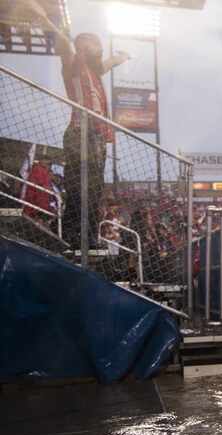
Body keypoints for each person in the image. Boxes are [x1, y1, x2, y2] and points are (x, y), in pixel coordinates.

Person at [26, 0, 130, 250]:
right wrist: (42, 17)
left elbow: (105, 65)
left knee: (93, 193)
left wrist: (119, 59)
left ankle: (88, 238)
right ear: (83, 47)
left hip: (97, 137)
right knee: (80, 189)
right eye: (93, 44)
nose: (99, 48)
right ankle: (75, 238)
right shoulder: (74, 66)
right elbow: (62, 42)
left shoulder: (93, 72)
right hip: (81, 133)